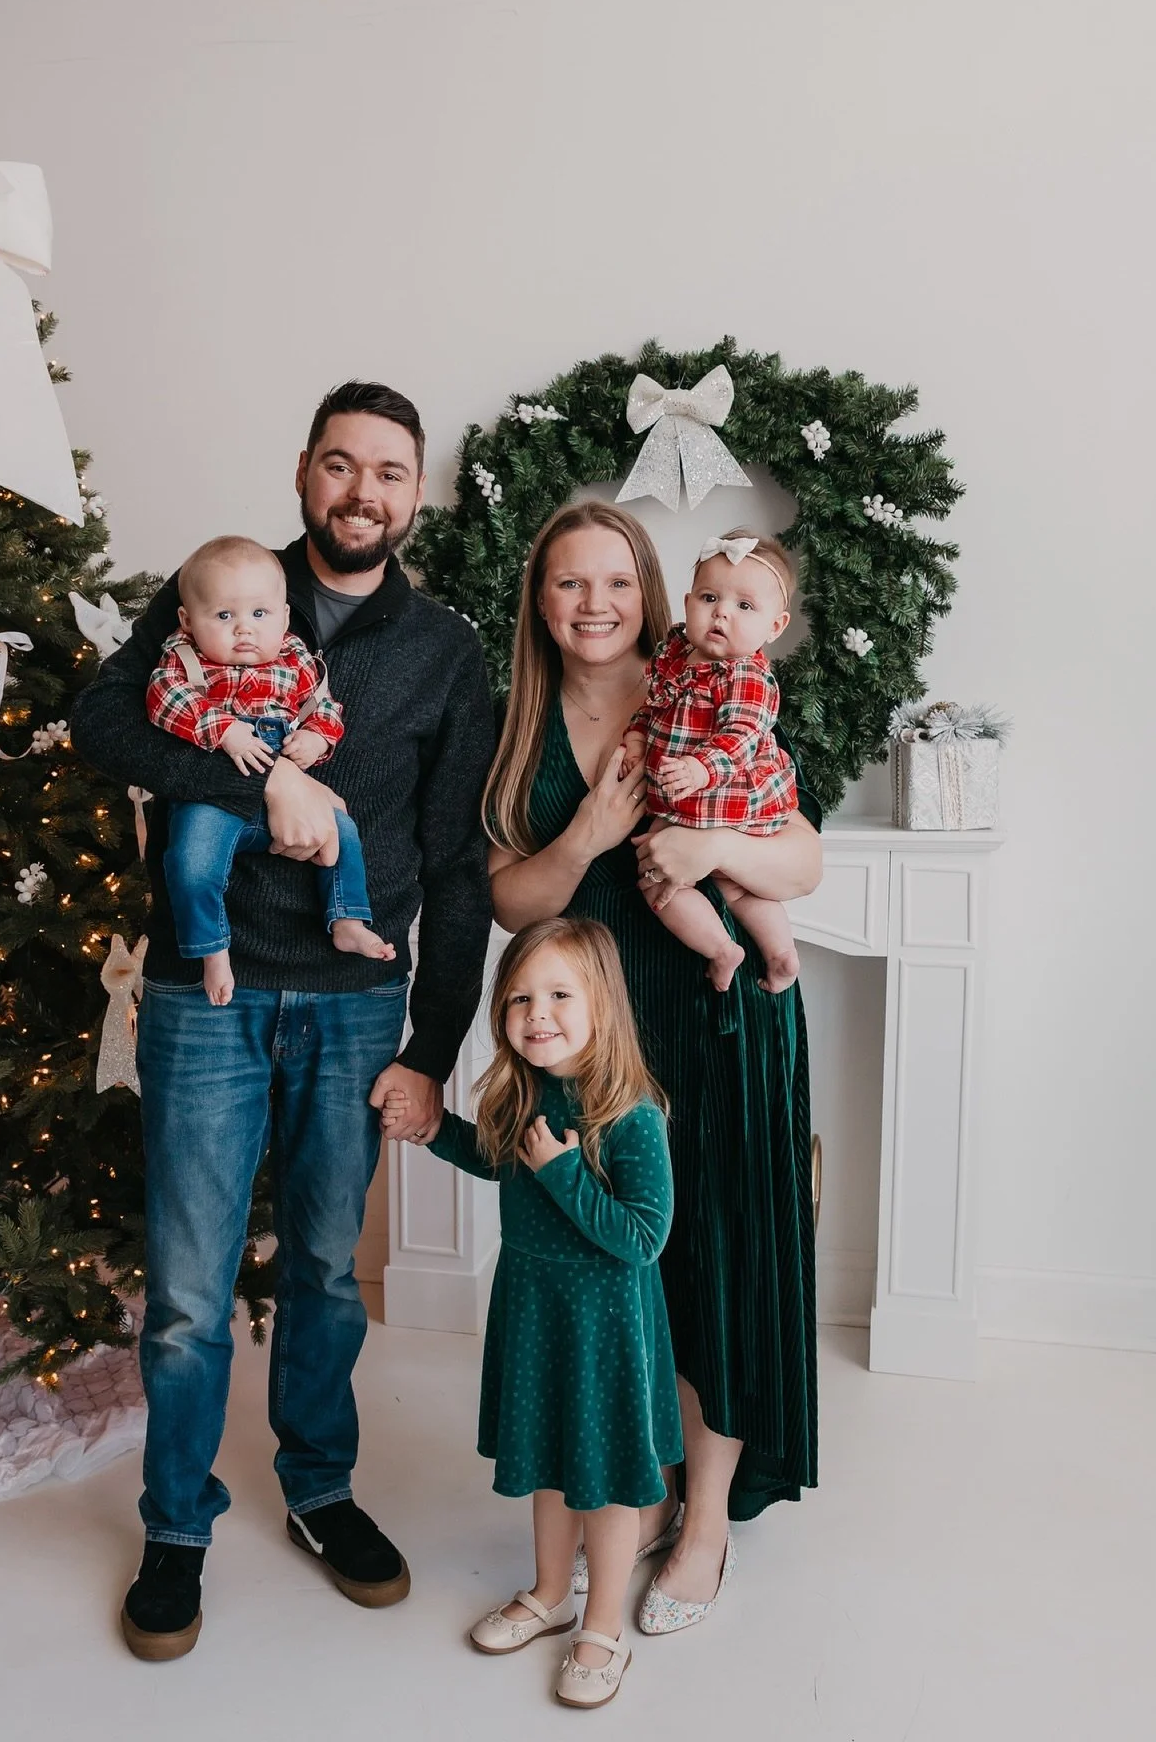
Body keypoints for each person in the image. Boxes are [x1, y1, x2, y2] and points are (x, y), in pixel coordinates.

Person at [69, 382, 494, 1661]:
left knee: (323, 1271)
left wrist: (432, 1045)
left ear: (416, 495)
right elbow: (101, 721)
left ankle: (319, 1490)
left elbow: (456, 859)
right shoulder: (221, 590)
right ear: (305, 473)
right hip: (210, 1000)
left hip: (358, 1006)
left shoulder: (447, 651)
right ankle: (176, 1523)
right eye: (341, 465)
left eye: (391, 473)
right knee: (190, 1295)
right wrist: (269, 788)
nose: (364, 492)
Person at [479, 499, 822, 1639]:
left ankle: (708, 1521)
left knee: (716, 1256)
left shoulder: (702, 689)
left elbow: (804, 855)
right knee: (625, 1272)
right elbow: (505, 898)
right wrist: (583, 836)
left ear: (651, 595)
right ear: (541, 599)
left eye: (617, 583)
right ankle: (639, 1493)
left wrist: (715, 847)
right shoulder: (517, 726)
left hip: (714, 1024)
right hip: (594, 1046)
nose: (596, 605)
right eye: (571, 583)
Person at [401, 916, 680, 1710]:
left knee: (608, 1487)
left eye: (559, 994)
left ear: (602, 1005)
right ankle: (549, 1592)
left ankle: (603, 1629)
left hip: (605, 1332)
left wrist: (563, 1172)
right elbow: (495, 1158)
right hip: (534, 1314)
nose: (537, 1013)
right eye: (520, 997)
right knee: (550, 1474)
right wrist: (431, 1129)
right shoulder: (526, 1093)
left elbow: (642, 1238)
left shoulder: (631, 1116)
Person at [146, 533, 394, 1005]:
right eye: (224, 616)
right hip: (214, 805)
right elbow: (164, 701)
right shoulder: (182, 659)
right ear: (188, 620)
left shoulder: (295, 659)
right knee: (190, 863)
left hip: (289, 812)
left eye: (259, 615)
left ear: (282, 617)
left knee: (343, 830)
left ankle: (347, 920)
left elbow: (325, 708)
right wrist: (223, 730)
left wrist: (316, 737)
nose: (244, 629)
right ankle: (213, 949)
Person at [624, 529, 800, 994]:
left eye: (745, 606)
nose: (722, 611)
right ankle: (779, 956)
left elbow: (743, 734)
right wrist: (639, 736)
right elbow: (654, 705)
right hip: (691, 799)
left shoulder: (746, 675)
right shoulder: (676, 658)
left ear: (775, 627)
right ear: (687, 603)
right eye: (709, 597)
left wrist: (702, 768)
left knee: (654, 877)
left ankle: (724, 950)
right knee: (734, 888)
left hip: (720, 800)